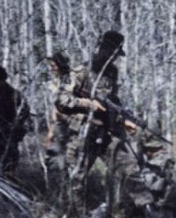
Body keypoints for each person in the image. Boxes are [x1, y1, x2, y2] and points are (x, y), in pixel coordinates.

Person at [55, 30, 134, 208]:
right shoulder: (81, 71)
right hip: (82, 134)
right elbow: (61, 99)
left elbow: (113, 100)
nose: (113, 59)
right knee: (75, 181)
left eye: (115, 56)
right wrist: (88, 103)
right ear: (103, 49)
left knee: (129, 168)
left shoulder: (112, 73)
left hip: (105, 132)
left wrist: (124, 118)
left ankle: (148, 213)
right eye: (111, 53)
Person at [45, 52, 71, 172]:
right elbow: (55, 107)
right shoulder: (56, 81)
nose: (52, 68)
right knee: (53, 156)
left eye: (54, 65)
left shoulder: (70, 80)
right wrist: (52, 129)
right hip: (59, 123)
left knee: (67, 157)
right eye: (51, 66)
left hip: (69, 124)